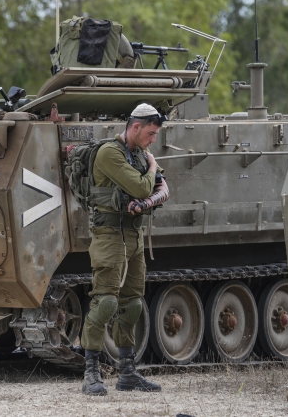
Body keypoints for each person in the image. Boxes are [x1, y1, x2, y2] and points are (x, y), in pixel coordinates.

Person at [80, 103, 170, 396]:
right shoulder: (110, 153)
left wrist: (152, 184)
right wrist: (153, 169)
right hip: (108, 234)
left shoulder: (139, 154)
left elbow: (162, 190)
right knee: (105, 301)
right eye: (151, 133)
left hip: (134, 234)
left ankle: (127, 372)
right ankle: (91, 371)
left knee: (131, 304)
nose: (153, 140)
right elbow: (145, 187)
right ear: (135, 127)